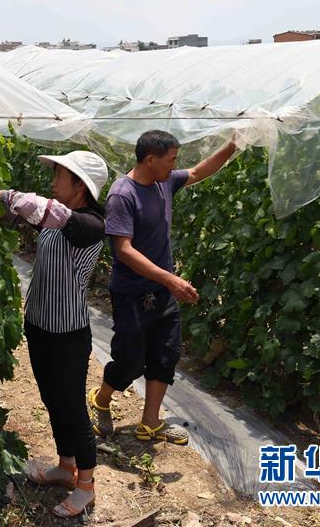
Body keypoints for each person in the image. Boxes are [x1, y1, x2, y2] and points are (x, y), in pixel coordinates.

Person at [88, 130, 237, 445]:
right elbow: (124, 250)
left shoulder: (164, 181)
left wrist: (234, 146)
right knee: (129, 362)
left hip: (162, 292)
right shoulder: (122, 195)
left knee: (166, 354)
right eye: (171, 160)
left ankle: (150, 422)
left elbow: (198, 172)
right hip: (132, 294)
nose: (175, 166)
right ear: (150, 160)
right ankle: (101, 399)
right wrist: (170, 278)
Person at [0, 150, 108, 519]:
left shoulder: (89, 225)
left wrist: (3, 194)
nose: (53, 182)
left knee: (72, 408)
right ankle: (65, 467)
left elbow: (42, 208)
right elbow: (30, 215)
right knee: (53, 400)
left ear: (80, 185)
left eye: (59, 176)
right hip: (40, 326)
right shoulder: (57, 222)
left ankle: (86, 486)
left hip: (68, 334)